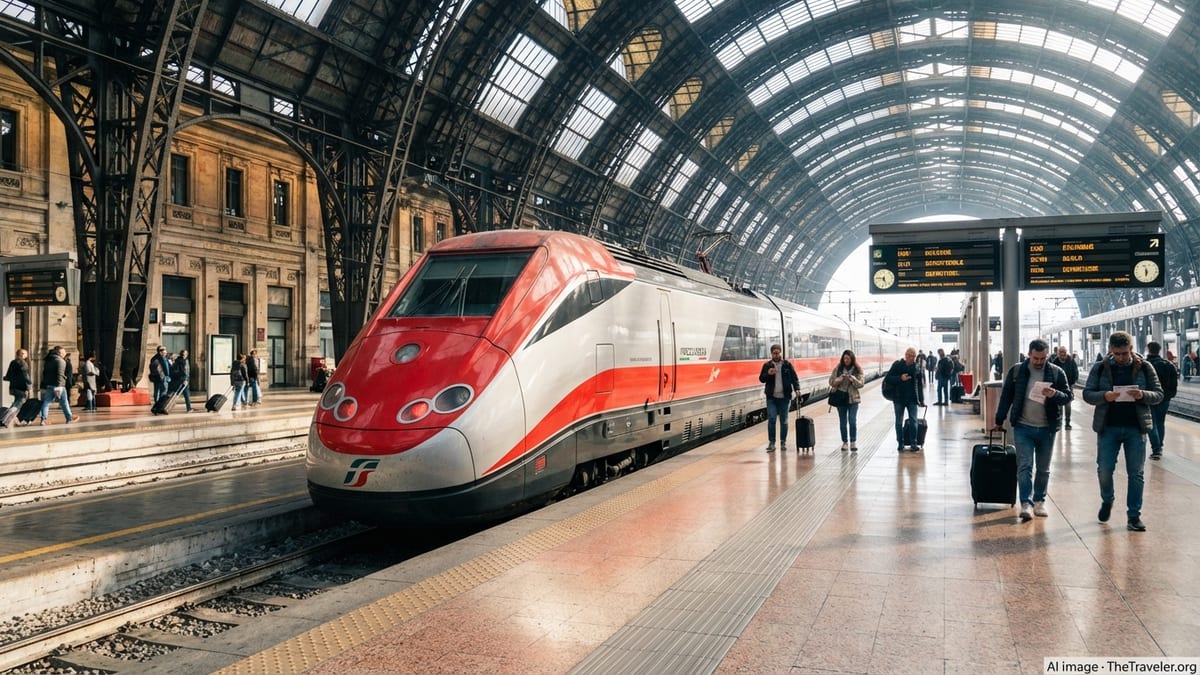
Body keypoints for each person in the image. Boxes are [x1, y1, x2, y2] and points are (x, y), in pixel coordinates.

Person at [1082, 330, 1162, 532]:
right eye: (1116, 354)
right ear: (1110, 350)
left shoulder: (1145, 367)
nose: (1120, 358)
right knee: (1104, 469)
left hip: (1136, 429)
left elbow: (1159, 394)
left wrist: (1142, 394)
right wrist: (1105, 396)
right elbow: (1087, 393)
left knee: (1136, 474)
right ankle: (1107, 500)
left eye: (1124, 353)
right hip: (1108, 427)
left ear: (1131, 349)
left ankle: (1133, 516)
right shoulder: (1100, 368)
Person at [992, 339, 1073, 521]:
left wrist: (1055, 394)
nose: (1039, 361)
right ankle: (1026, 503)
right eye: (1035, 358)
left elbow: (1068, 396)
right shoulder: (1017, 371)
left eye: (1042, 358)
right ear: (1029, 354)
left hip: (1047, 428)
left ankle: (1039, 501)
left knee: (1043, 468)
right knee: (1025, 466)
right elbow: (1007, 397)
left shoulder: (1056, 372)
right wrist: (999, 419)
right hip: (1023, 426)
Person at [758, 343, 800, 453]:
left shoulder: (787, 365)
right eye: (774, 353)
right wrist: (768, 374)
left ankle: (783, 442)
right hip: (771, 397)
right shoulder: (767, 366)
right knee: (772, 419)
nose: (776, 355)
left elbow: (794, 378)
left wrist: (797, 389)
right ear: (771, 353)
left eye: (778, 352)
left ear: (780, 352)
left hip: (784, 397)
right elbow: (761, 379)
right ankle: (772, 442)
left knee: (784, 421)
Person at [884, 347, 925, 452]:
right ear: (905, 355)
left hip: (912, 399)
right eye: (910, 355)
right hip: (898, 399)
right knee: (899, 422)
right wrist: (900, 378)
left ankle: (913, 444)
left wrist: (921, 399)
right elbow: (888, 378)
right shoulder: (897, 365)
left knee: (913, 421)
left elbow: (919, 385)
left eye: (913, 356)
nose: (912, 358)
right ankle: (900, 443)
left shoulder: (917, 368)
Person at [1144, 341, 1177, 460]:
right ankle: (1159, 446)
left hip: (1150, 397)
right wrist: (1169, 395)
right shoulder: (1168, 364)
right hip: (1165, 398)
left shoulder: (1145, 364)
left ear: (1148, 350)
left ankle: (1156, 449)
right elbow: (1174, 382)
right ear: (1159, 350)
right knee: (1160, 422)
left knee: (1152, 423)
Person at [828, 349, 864, 451]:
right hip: (841, 399)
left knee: (852, 421)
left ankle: (853, 442)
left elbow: (861, 384)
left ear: (852, 359)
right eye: (844, 358)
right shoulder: (838, 369)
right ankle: (844, 442)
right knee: (843, 422)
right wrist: (839, 379)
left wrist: (854, 380)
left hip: (853, 400)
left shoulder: (858, 370)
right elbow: (831, 381)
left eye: (848, 358)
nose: (846, 360)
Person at [39, 346, 75, 425]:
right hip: (59, 385)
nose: (65, 354)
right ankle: (69, 418)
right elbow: (60, 374)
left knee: (46, 402)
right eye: (64, 352)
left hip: (49, 385)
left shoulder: (48, 360)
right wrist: (59, 386)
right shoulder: (60, 361)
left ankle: (43, 419)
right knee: (64, 402)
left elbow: (44, 373)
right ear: (60, 353)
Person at [1047, 346, 1079, 430]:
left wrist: (1073, 383)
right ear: (1058, 353)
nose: (1063, 354)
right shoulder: (1054, 362)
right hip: (1058, 387)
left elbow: (1075, 372)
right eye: (1061, 353)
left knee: (1068, 405)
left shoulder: (1071, 361)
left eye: (1064, 352)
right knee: (1059, 405)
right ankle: (1060, 422)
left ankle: (1067, 422)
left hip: (1069, 386)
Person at [4, 348, 33, 414]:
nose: (27, 355)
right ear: (22, 354)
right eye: (25, 353)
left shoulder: (13, 362)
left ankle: (8, 416)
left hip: (13, 386)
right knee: (20, 402)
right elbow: (25, 376)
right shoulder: (23, 363)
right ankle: (8, 415)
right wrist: (29, 387)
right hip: (21, 387)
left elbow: (8, 376)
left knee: (16, 401)